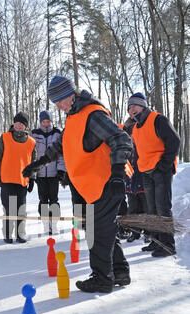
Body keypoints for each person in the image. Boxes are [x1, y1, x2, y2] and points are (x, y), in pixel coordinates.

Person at [23, 76, 133, 293]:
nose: (59, 106)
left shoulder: (93, 114)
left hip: (107, 181)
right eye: (55, 103)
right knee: (104, 230)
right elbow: (61, 145)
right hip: (93, 185)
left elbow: (121, 139)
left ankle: (102, 278)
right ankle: (119, 272)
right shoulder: (74, 117)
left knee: (95, 231)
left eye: (61, 101)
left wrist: (118, 173)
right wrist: (38, 164)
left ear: (71, 95)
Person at [128, 92, 180, 256]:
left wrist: (164, 165)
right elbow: (137, 154)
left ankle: (168, 245)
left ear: (143, 105)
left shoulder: (158, 119)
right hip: (145, 172)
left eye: (134, 106)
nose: (131, 110)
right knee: (152, 209)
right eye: (129, 109)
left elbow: (175, 141)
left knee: (163, 207)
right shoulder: (135, 128)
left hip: (160, 171)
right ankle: (157, 241)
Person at [0, 112, 36, 244]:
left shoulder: (31, 142)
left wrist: (32, 178)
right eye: (17, 123)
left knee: (21, 209)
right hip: (6, 180)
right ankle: (7, 234)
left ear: (25, 126)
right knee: (8, 208)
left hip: (22, 181)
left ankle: (21, 234)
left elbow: (33, 162)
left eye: (22, 124)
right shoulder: (5, 137)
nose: (19, 126)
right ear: (14, 123)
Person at [31, 110, 66, 235]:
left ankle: (54, 224)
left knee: (54, 199)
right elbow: (31, 155)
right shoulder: (34, 134)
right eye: (44, 122)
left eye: (48, 121)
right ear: (41, 122)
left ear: (51, 121)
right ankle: (46, 224)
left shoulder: (57, 133)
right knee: (43, 200)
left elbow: (62, 154)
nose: (46, 124)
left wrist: (61, 170)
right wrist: (33, 171)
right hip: (40, 174)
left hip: (54, 174)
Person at [122, 115, 149, 243]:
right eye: (129, 135)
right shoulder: (126, 149)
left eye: (134, 134)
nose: (132, 137)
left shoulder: (144, 147)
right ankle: (135, 232)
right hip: (130, 184)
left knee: (146, 208)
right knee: (133, 209)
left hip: (143, 183)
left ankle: (149, 232)